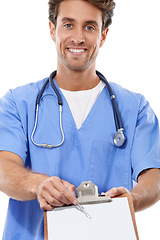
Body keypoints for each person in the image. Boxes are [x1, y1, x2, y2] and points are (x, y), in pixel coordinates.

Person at [0, 0, 160, 239]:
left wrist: (132, 200)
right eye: (68, 25)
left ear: (103, 35)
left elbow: (154, 175)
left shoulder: (134, 108)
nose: (78, 38)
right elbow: (4, 168)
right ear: (53, 29)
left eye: (89, 27)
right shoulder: (18, 103)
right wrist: (38, 185)